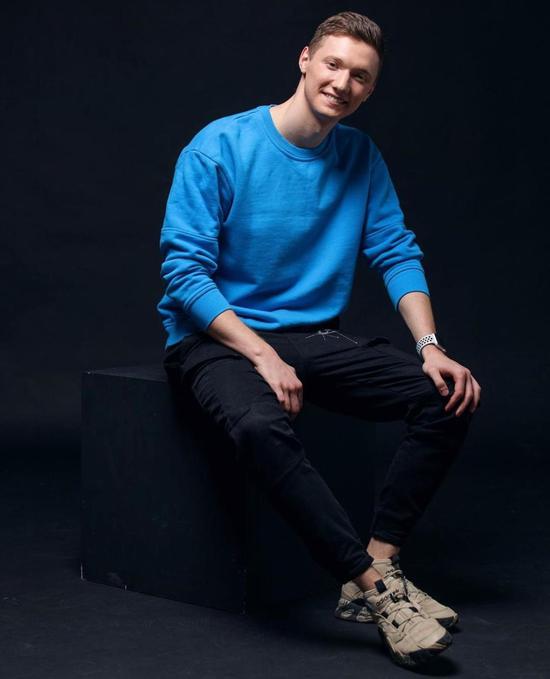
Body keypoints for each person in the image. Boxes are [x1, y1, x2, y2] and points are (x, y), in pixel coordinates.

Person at [157, 10, 481, 668]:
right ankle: (376, 592)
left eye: (360, 76)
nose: (343, 82)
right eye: (333, 64)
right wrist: (260, 353)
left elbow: (396, 251)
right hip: (214, 338)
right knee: (258, 425)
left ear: (370, 89)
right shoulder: (220, 146)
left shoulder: (360, 156)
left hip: (311, 335)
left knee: (445, 394)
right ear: (305, 59)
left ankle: (380, 565)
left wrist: (430, 346)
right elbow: (184, 273)